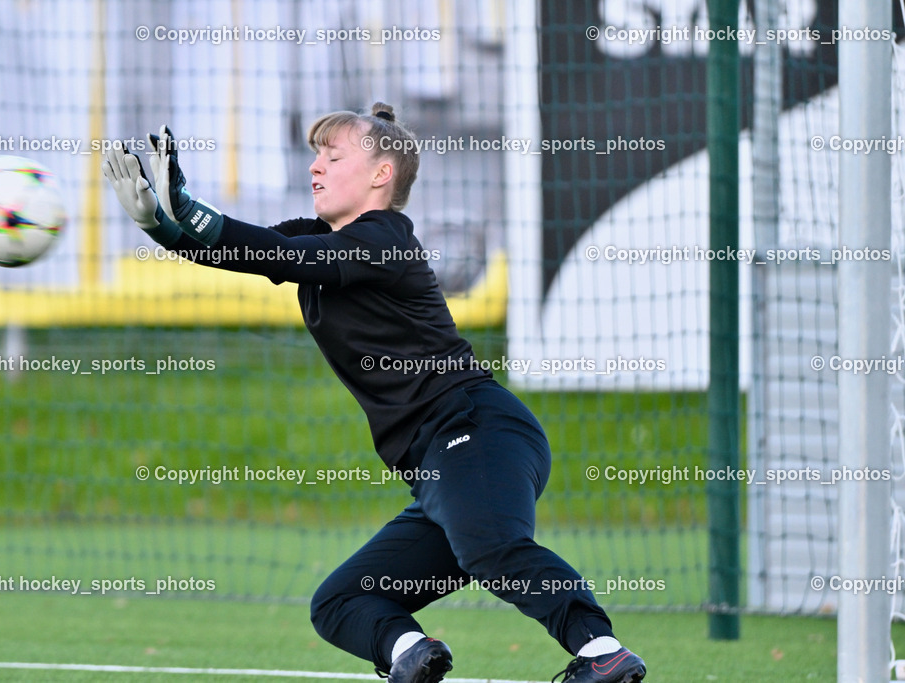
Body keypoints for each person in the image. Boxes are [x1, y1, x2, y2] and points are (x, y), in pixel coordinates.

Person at [102, 102, 646, 683]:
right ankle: (411, 654)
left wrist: (183, 206)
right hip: (436, 468)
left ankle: (600, 651)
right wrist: (160, 224)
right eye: (316, 155)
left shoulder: (383, 239)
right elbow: (244, 248)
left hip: (477, 430)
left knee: (492, 547)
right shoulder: (319, 239)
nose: (315, 167)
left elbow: (278, 256)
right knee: (340, 604)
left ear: (381, 174)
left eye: (332, 156)